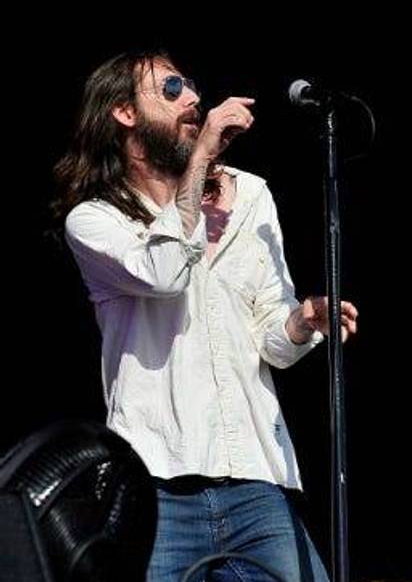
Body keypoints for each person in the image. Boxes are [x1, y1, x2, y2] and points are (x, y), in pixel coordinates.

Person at [51, 51, 359, 582]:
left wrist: (304, 321)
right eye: (171, 90)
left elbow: (272, 344)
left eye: (191, 86)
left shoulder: (252, 197)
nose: (193, 98)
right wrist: (198, 164)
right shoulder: (95, 219)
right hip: (157, 487)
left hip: (255, 476)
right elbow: (164, 272)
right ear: (124, 113)